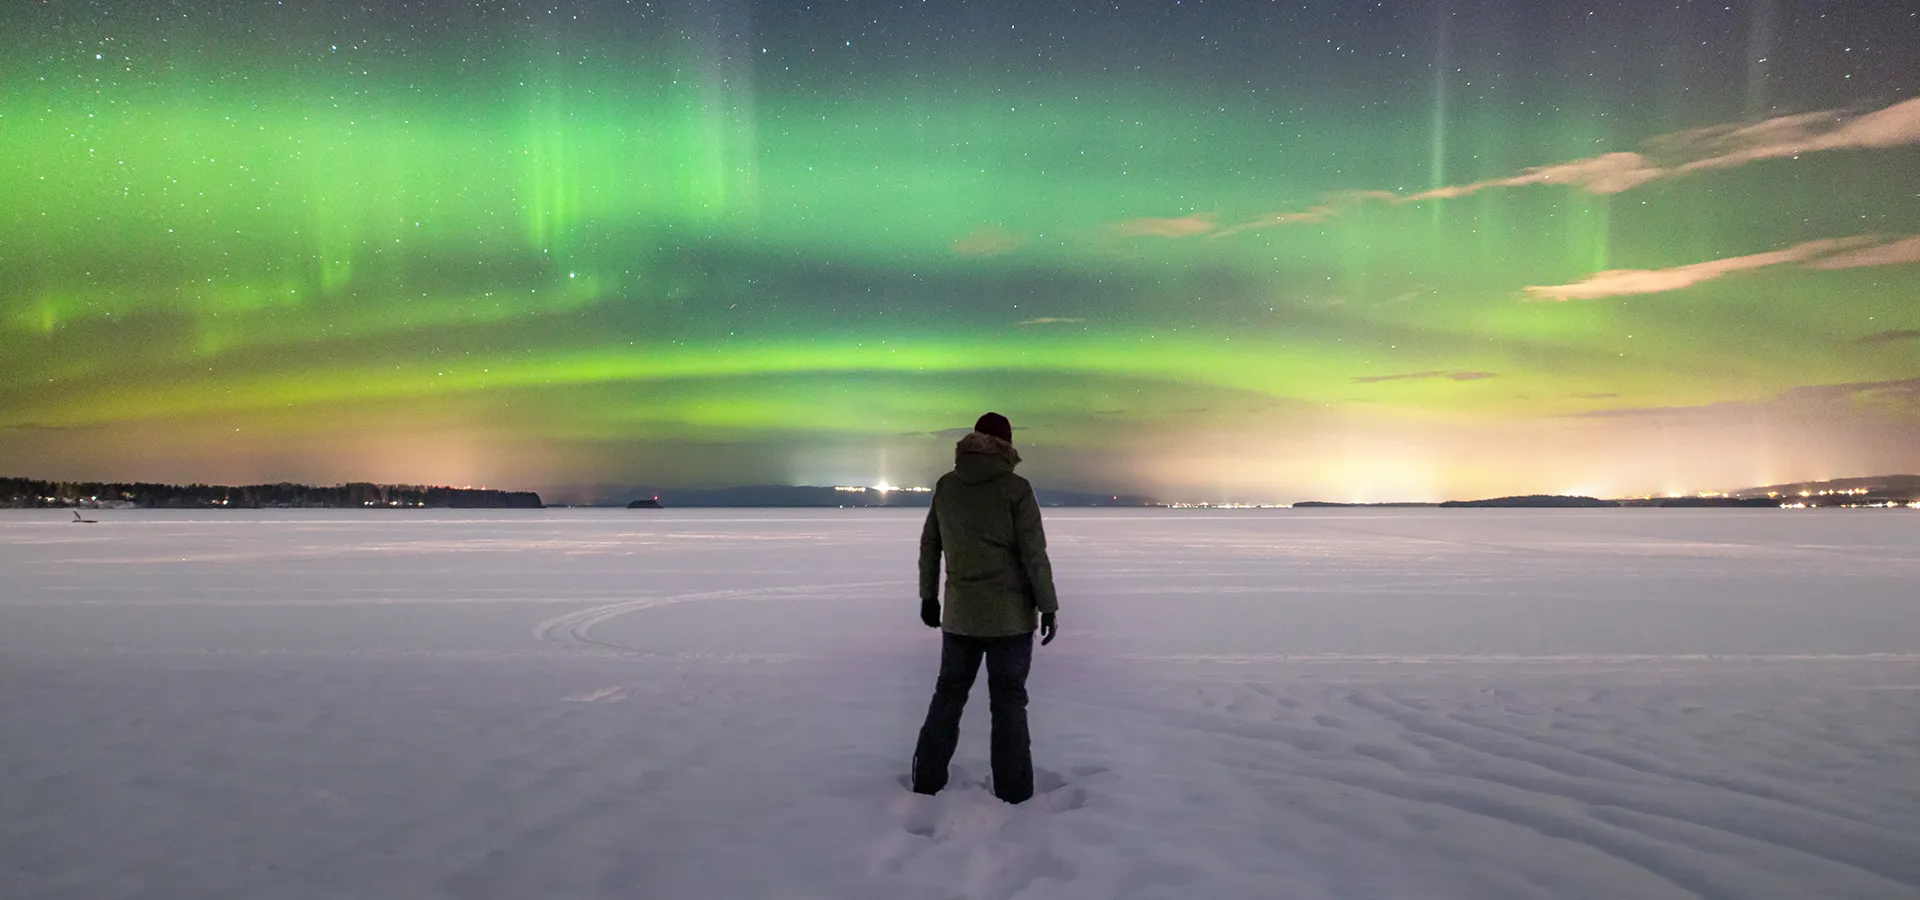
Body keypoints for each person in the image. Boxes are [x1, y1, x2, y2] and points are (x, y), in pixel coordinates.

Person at [910, 412, 1059, 804]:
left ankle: (926, 782)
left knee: (949, 695)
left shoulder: (946, 486)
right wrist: (1048, 606)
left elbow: (930, 545)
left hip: (960, 616)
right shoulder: (1016, 489)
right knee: (1008, 701)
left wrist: (929, 596)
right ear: (1007, 446)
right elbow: (1034, 555)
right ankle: (1015, 792)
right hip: (1010, 619)